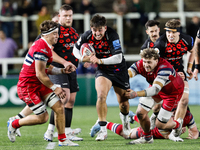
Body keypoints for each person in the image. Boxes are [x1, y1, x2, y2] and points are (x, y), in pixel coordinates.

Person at [7, 20, 78, 146]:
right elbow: (40, 73)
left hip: (38, 83)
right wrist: (55, 87)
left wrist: (62, 70)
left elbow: (47, 69)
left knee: (59, 107)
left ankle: (62, 139)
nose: (57, 36)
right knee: (43, 118)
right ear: (46, 35)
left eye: (58, 33)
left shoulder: (47, 46)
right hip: (28, 87)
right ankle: (14, 123)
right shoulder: (41, 47)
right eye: (55, 34)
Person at [73, 14, 131, 141]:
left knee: (124, 104)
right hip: (103, 71)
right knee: (100, 96)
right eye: (95, 30)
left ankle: (126, 124)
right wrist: (83, 58)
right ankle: (103, 130)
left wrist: (99, 61)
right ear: (91, 28)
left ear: (105, 28)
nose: (97, 33)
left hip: (118, 70)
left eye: (100, 30)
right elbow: (75, 49)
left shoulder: (113, 35)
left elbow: (118, 57)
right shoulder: (87, 35)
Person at [124, 48, 184, 144]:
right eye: (144, 62)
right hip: (157, 88)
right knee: (140, 112)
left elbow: (155, 90)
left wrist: (136, 94)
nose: (146, 65)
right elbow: (128, 73)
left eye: (149, 62)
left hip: (172, 93)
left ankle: (177, 124)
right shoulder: (141, 63)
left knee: (160, 125)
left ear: (156, 60)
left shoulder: (164, 68)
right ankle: (147, 138)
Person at [43, 4, 83, 142]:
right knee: (62, 99)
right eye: (65, 15)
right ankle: (49, 131)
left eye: (70, 15)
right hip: (58, 68)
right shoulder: (54, 31)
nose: (68, 18)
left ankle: (67, 131)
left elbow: (75, 50)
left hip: (71, 70)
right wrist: (65, 62)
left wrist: (84, 59)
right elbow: (49, 51)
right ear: (59, 16)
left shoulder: (73, 31)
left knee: (70, 101)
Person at [153, 19, 195, 137]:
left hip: (179, 73)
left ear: (179, 33)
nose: (170, 35)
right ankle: (155, 125)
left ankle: (176, 130)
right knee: (157, 106)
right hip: (163, 75)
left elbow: (192, 51)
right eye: (168, 32)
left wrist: (189, 67)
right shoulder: (160, 43)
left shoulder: (187, 40)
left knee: (184, 100)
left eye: (173, 32)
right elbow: (154, 64)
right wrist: (172, 75)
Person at [90, 108, 200, 142]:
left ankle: (132, 116)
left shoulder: (188, 116)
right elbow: (165, 133)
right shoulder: (168, 113)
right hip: (153, 131)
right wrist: (177, 131)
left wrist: (194, 134)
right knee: (127, 135)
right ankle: (104, 124)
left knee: (145, 122)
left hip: (154, 130)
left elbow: (195, 132)